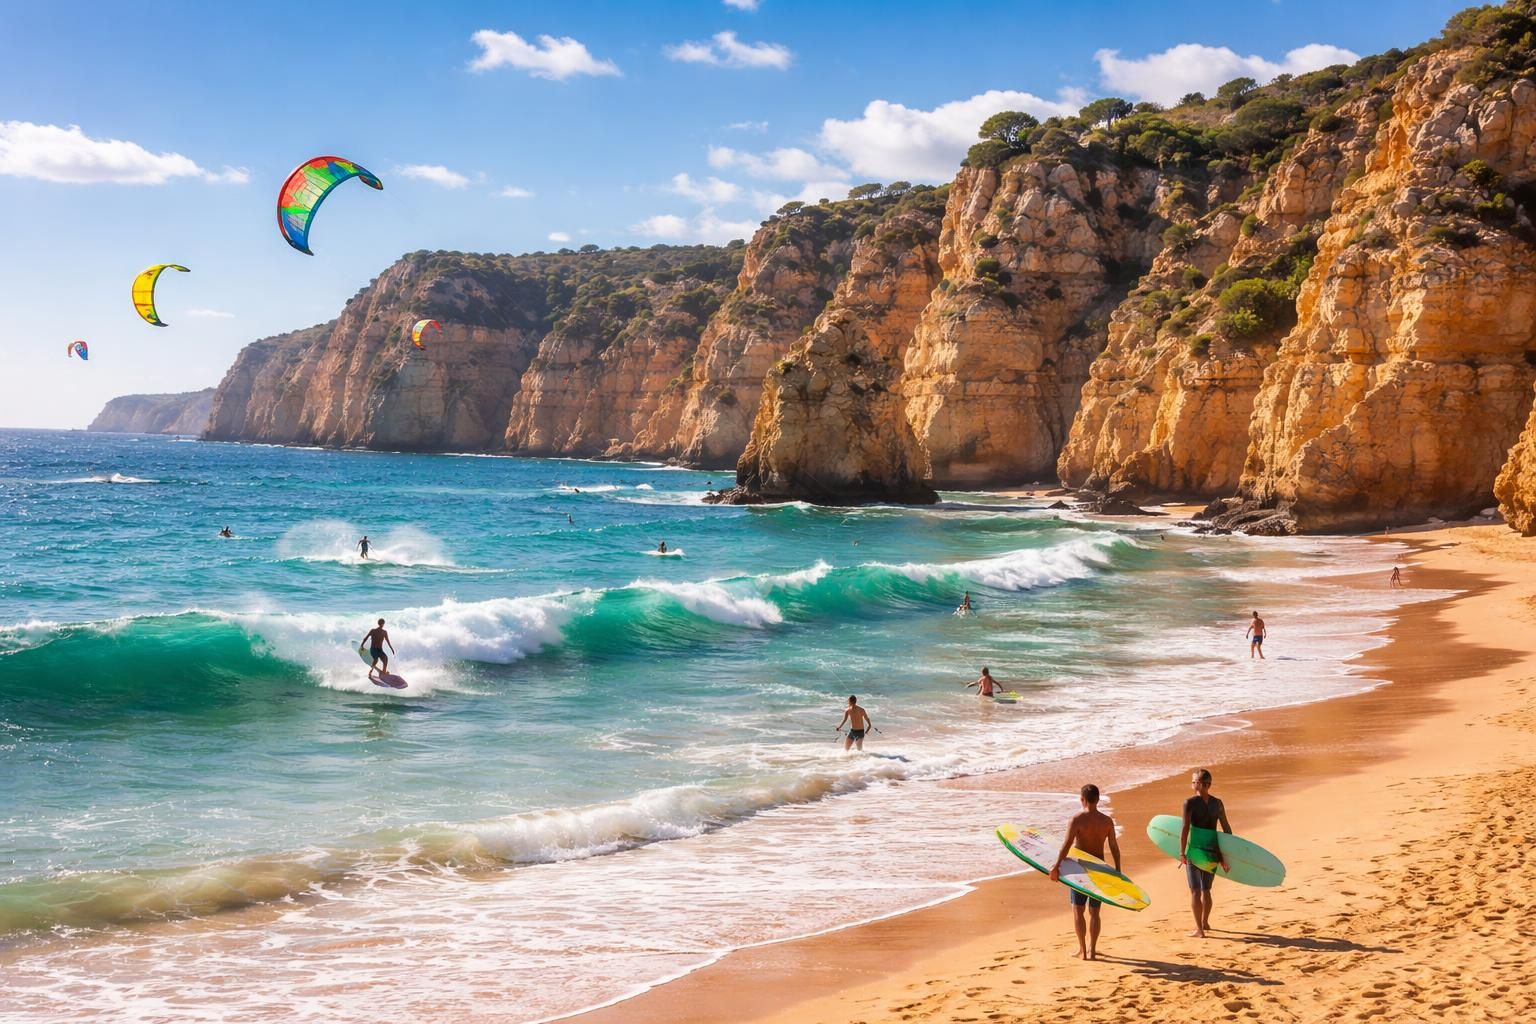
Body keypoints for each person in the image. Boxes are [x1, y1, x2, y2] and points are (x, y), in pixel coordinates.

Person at [1048, 783, 1122, 960]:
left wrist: (1056, 866)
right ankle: (1093, 950)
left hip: (1080, 870)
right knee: (1095, 912)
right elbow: (1114, 847)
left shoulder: (1076, 819)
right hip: (1100, 869)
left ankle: (1082, 951)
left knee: (1078, 910)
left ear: (1082, 799)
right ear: (1097, 799)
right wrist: (1118, 870)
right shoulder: (1106, 821)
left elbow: (1066, 845)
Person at [1178, 768, 1232, 938]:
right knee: (1206, 890)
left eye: (1194, 781)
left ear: (1200, 784)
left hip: (1196, 852)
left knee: (1195, 891)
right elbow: (1227, 830)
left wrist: (1182, 853)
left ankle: (1199, 930)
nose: (1192, 784)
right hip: (1212, 852)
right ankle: (1205, 922)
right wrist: (1224, 855)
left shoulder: (1190, 803)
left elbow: (1185, 829)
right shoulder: (1218, 803)